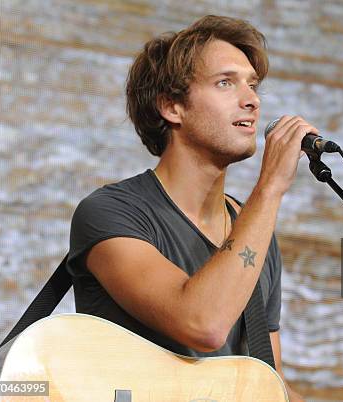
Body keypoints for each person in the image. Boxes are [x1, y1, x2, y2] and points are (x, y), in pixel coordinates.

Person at [67, 15, 314, 401]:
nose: (251, 99)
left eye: (252, 84)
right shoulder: (111, 212)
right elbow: (201, 324)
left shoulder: (252, 228)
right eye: (225, 83)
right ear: (172, 107)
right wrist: (269, 189)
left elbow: (267, 386)